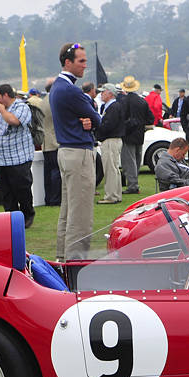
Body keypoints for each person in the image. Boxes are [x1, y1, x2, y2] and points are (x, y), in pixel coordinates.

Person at [49, 42, 101, 262]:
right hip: (78, 152)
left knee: (68, 212)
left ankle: (63, 259)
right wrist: (91, 120)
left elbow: (92, 118)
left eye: (85, 61)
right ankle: (75, 263)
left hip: (67, 151)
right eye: (81, 61)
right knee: (80, 216)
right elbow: (98, 120)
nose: (84, 65)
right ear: (67, 62)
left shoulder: (56, 87)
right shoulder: (70, 90)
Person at [0, 84, 35, 227]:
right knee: (6, 191)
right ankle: (11, 217)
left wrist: (2, 111)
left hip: (18, 158)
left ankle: (27, 215)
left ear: (6, 96)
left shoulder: (22, 107)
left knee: (22, 188)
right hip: (1, 159)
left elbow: (15, 121)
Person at [119, 76, 153, 194]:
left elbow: (121, 117)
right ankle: (134, 182)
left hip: (128, 133)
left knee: (129, 160)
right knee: (137, 159)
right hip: (139, 133)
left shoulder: (124, 100)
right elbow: (150, 118)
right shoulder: (142, 101)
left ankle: (133, 185)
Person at [95, 83, 125, 204]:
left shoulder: (113, 107)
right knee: (114, 168)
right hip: (113, 140)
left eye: (103, 91)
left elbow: (108, 126)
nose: (101, 94)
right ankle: (116, 194)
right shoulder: (110, 106)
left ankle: (111, 196)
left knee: (110, 168)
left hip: (111, 140)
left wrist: (98, 132)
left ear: (110, 93)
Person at [37, 78, 61, 206]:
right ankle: (56, 199)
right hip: (54, 140)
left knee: (48, 172)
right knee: (56, 172)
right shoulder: (54, 101)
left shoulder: (42, 102)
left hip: (45, 141)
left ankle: (49, 198)